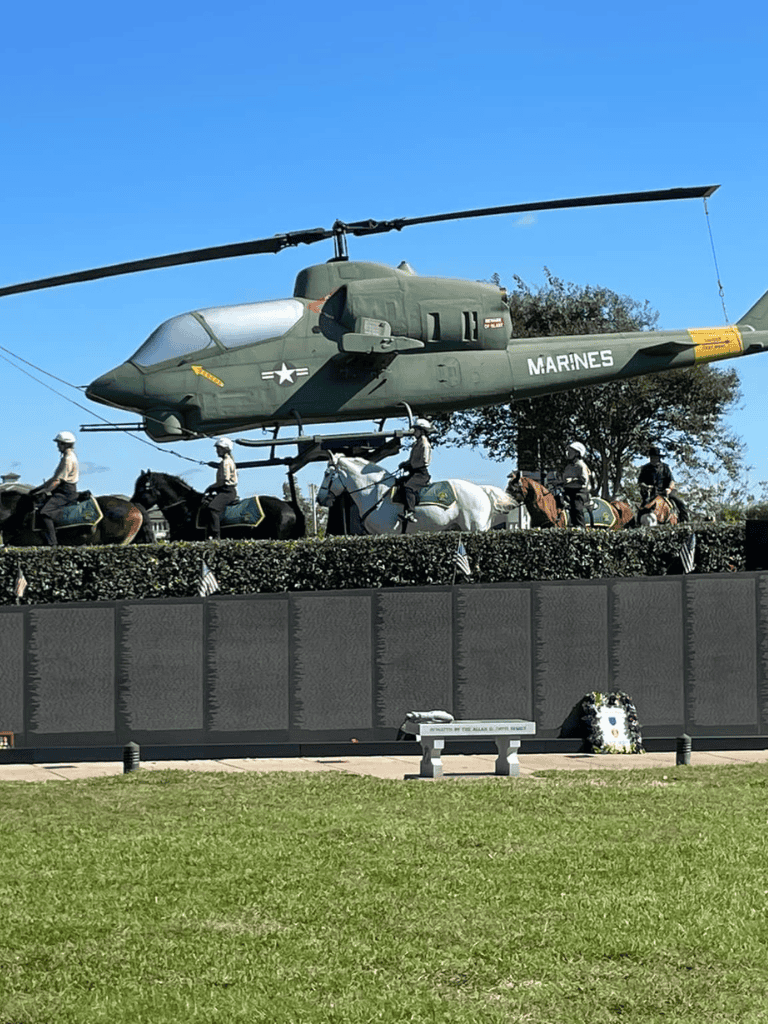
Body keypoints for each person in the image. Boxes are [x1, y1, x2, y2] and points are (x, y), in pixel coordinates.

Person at [32, 431, 80, 546]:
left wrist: (46, 491)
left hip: (65, 493)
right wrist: (39, 488)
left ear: (65, 444)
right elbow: (54, 478)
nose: (57, 446)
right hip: (63, 490)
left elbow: (58, 480)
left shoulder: (68, 459)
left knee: (45, 512)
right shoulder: (67, 457)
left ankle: (52, 543)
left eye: (59, 444)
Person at [398, 418, 434, 526]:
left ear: (422, 431)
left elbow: (425, 461)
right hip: (414, 472)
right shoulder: (417, 443)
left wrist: (410, 466)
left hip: (421, 474)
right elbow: (412, 460)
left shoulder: (424, 444)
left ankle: (410, 512)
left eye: (416, 429)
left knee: (409, 487)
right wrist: (405, 463)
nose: (414, 432)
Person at [638, 446, 689, 521]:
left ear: (658, 458)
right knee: (643, 507)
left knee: (679, 501)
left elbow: (672, 480)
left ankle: (684, 519)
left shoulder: (665, 467)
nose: (653, 459)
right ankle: (637, 523)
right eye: (651, 457)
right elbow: (640, 482)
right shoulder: (645, 468)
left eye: (655, 457)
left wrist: (669, 489)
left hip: (664, 492)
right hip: (651, 493)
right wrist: (646, 487)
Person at [202, 438, 239, 539]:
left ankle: (216, 536)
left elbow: (223, 481)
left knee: (212, 509)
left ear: (226, 449)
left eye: (219, 448)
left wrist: (210, 487)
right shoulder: (225, 461)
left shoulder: (226, 462)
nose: (217, 451)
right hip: (224, 490)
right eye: (217, 448)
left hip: (227, 491)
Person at [562, 441, 591, 528]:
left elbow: (584, 480)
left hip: (579, 492)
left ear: (577, 453)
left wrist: (572, 480)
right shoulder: (568, 467)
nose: (568, 453)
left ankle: (580, 528)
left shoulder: (581, 465)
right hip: (567, 491)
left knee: (576, 508)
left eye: (570, 451)